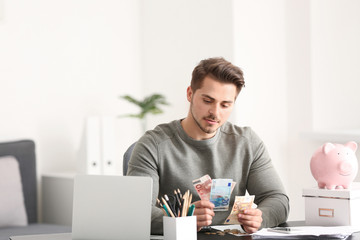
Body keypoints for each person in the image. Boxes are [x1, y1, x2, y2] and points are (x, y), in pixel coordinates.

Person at [127, 57, 289, 234]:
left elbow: (278, 199)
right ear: (190, 94)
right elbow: (137, 213)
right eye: (207, 101)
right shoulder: (153, 145)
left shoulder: (247, 143)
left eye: (225, 105)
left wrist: (260, 217)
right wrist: (182, 220)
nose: (215, 113)